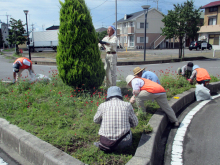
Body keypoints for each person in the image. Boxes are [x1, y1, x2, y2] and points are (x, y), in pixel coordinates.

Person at [93, 86, 138, 151]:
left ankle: (104, 144)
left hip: (105, 143)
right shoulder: (127, 105)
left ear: (108, 95)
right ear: (120, 94)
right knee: (128, 130)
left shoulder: (102, 105)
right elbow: (135, 123)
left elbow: (95, 120)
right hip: (124, 142)